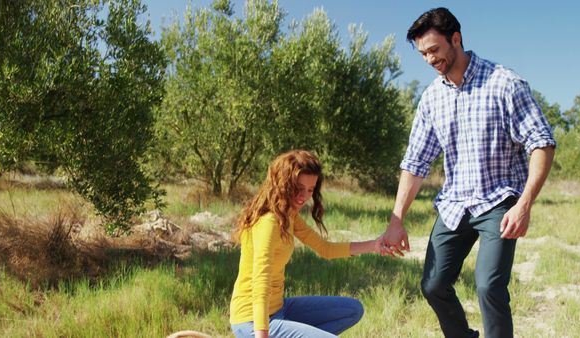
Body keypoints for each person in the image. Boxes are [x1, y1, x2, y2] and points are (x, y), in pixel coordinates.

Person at [381, 7, 556, 338]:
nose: (430, 59)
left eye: (434, 50)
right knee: (433, 285)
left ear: (456, 39)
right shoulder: (432, 97)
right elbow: (415, 162)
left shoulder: (504, 83)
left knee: (489, 286)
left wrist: (524, 205)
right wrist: (396, 219)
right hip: (455, 204)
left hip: (499, 199)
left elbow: (542, 144)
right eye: (423, 54)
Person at [229, 150, 381, 338]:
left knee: (352, 309)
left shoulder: (288, 215)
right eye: (298, 188)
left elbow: (326, 249)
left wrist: (375, 245)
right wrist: (262, 335)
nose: (304, 196)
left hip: (279, 309)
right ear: (283, 184)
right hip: (252, 321)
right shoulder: (268, 222)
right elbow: (261, 282)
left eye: (310, 190)